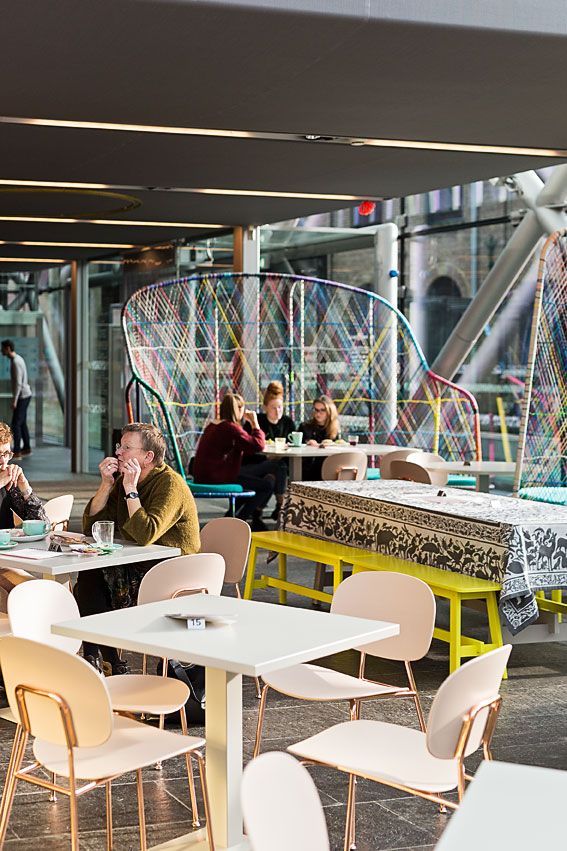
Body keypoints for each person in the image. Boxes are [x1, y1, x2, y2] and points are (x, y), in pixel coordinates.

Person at [76, 422, 201, 674]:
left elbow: (145, 533)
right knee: (89, 576)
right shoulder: (122, 481)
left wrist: (131, 490)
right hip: (140, 565)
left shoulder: (169, 484)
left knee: (92, 581)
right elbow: (92, 527)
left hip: (172, 575)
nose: (119, 452)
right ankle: (102, 660)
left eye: (127, 447)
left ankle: (102, 659)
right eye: (119, 446)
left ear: (148, 457)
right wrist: (106, 485)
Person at [193, 392, 274, 530]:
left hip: (204, 474)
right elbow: (257, 445)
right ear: (237, 410)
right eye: (242, 409)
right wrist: (255, 424)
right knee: (267, 483)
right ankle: (236, 523)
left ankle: (230, 518)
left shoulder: (213, 425)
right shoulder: (230, 428)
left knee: (262, 476)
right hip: (218, 476)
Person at [0, 422, 49, 610]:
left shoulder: (8, 482)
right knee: (16, 603)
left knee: (39, 592)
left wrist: (25, 488)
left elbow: (43, 524)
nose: (4, 461)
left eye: (6, 454)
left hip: (5, 562)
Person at [243, 381, 295, 519]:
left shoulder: (288, 423)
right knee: (278, 468)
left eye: (280, 407)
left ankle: (263, 508)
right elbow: (248, 447)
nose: (277, 411)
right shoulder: (257, 422)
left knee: (276, 472)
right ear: (265, 407)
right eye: (273, 408)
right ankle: (280, 506)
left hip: (280, 464)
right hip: (256, 463)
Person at [1, 340, 32, 459]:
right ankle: (27, 448)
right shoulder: (17, 359)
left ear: (8, 348)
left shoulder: (16, 362)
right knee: (22, 422)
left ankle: (17, 451)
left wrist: (15, 400)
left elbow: (18, 383)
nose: (1, 351)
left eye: (2, 348)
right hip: (24, 395)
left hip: (22, 396)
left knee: (16, 424)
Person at [299, 394, 341, 480]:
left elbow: (338, 447)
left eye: (322, 410)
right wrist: (307, 444)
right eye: (316, 410)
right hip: (309, 466)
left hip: (329, 465)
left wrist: (332, 445)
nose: (318, 413)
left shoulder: (334, 429)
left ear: (329, 411)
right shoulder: (305, 427)